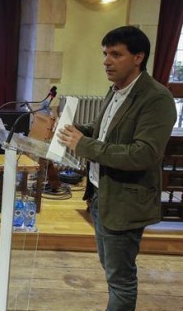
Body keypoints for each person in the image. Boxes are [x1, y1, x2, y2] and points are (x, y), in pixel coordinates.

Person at [57, 26, 176, 311]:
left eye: (115, 54)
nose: (106, 61)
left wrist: (82, 144)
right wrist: (68, 131)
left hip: (126, 201)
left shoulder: (156, 98)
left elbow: (143, 154)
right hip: (102, 195)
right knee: (112, 272)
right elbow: (102, 135)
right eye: (105, 54)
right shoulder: (116, 90)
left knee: (121, 280)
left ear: (138, 57)